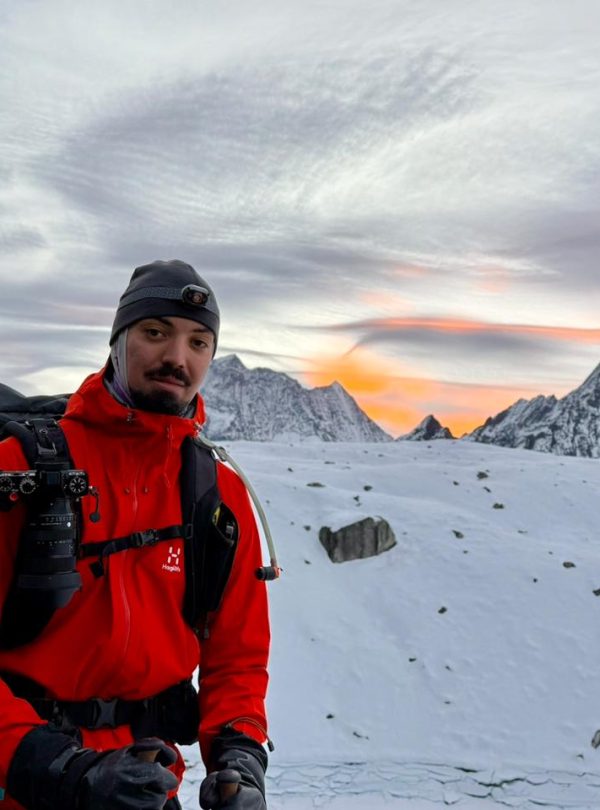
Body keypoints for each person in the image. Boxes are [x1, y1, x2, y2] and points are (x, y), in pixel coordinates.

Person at [0, 260, 271, 810]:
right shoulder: (21, 470)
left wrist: (240, 757)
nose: (178, 358)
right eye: (156, 333)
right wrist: (57, 768)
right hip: (22, 782)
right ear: (117, 341)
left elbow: (237, 656)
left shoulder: (216, 492)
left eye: (199, 342)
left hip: (146, 784)